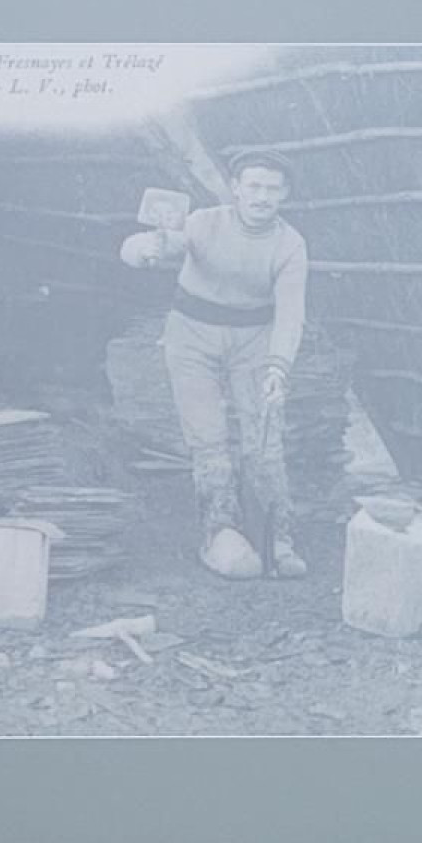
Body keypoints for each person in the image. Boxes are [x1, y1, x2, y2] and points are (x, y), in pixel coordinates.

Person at [120, 149, 309, 580]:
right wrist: (146, 246)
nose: (262, 196)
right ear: (237, 188)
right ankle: (219, 531)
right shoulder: (205, 222)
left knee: (264, 436)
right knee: (208, 437)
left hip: (255, 340)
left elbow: (291, 312)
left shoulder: (290, 245)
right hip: (192, 335)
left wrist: (278, 367)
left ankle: (276, 535)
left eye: (273, 189)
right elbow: (144, 247)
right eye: (254, 186)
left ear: (286, 195)